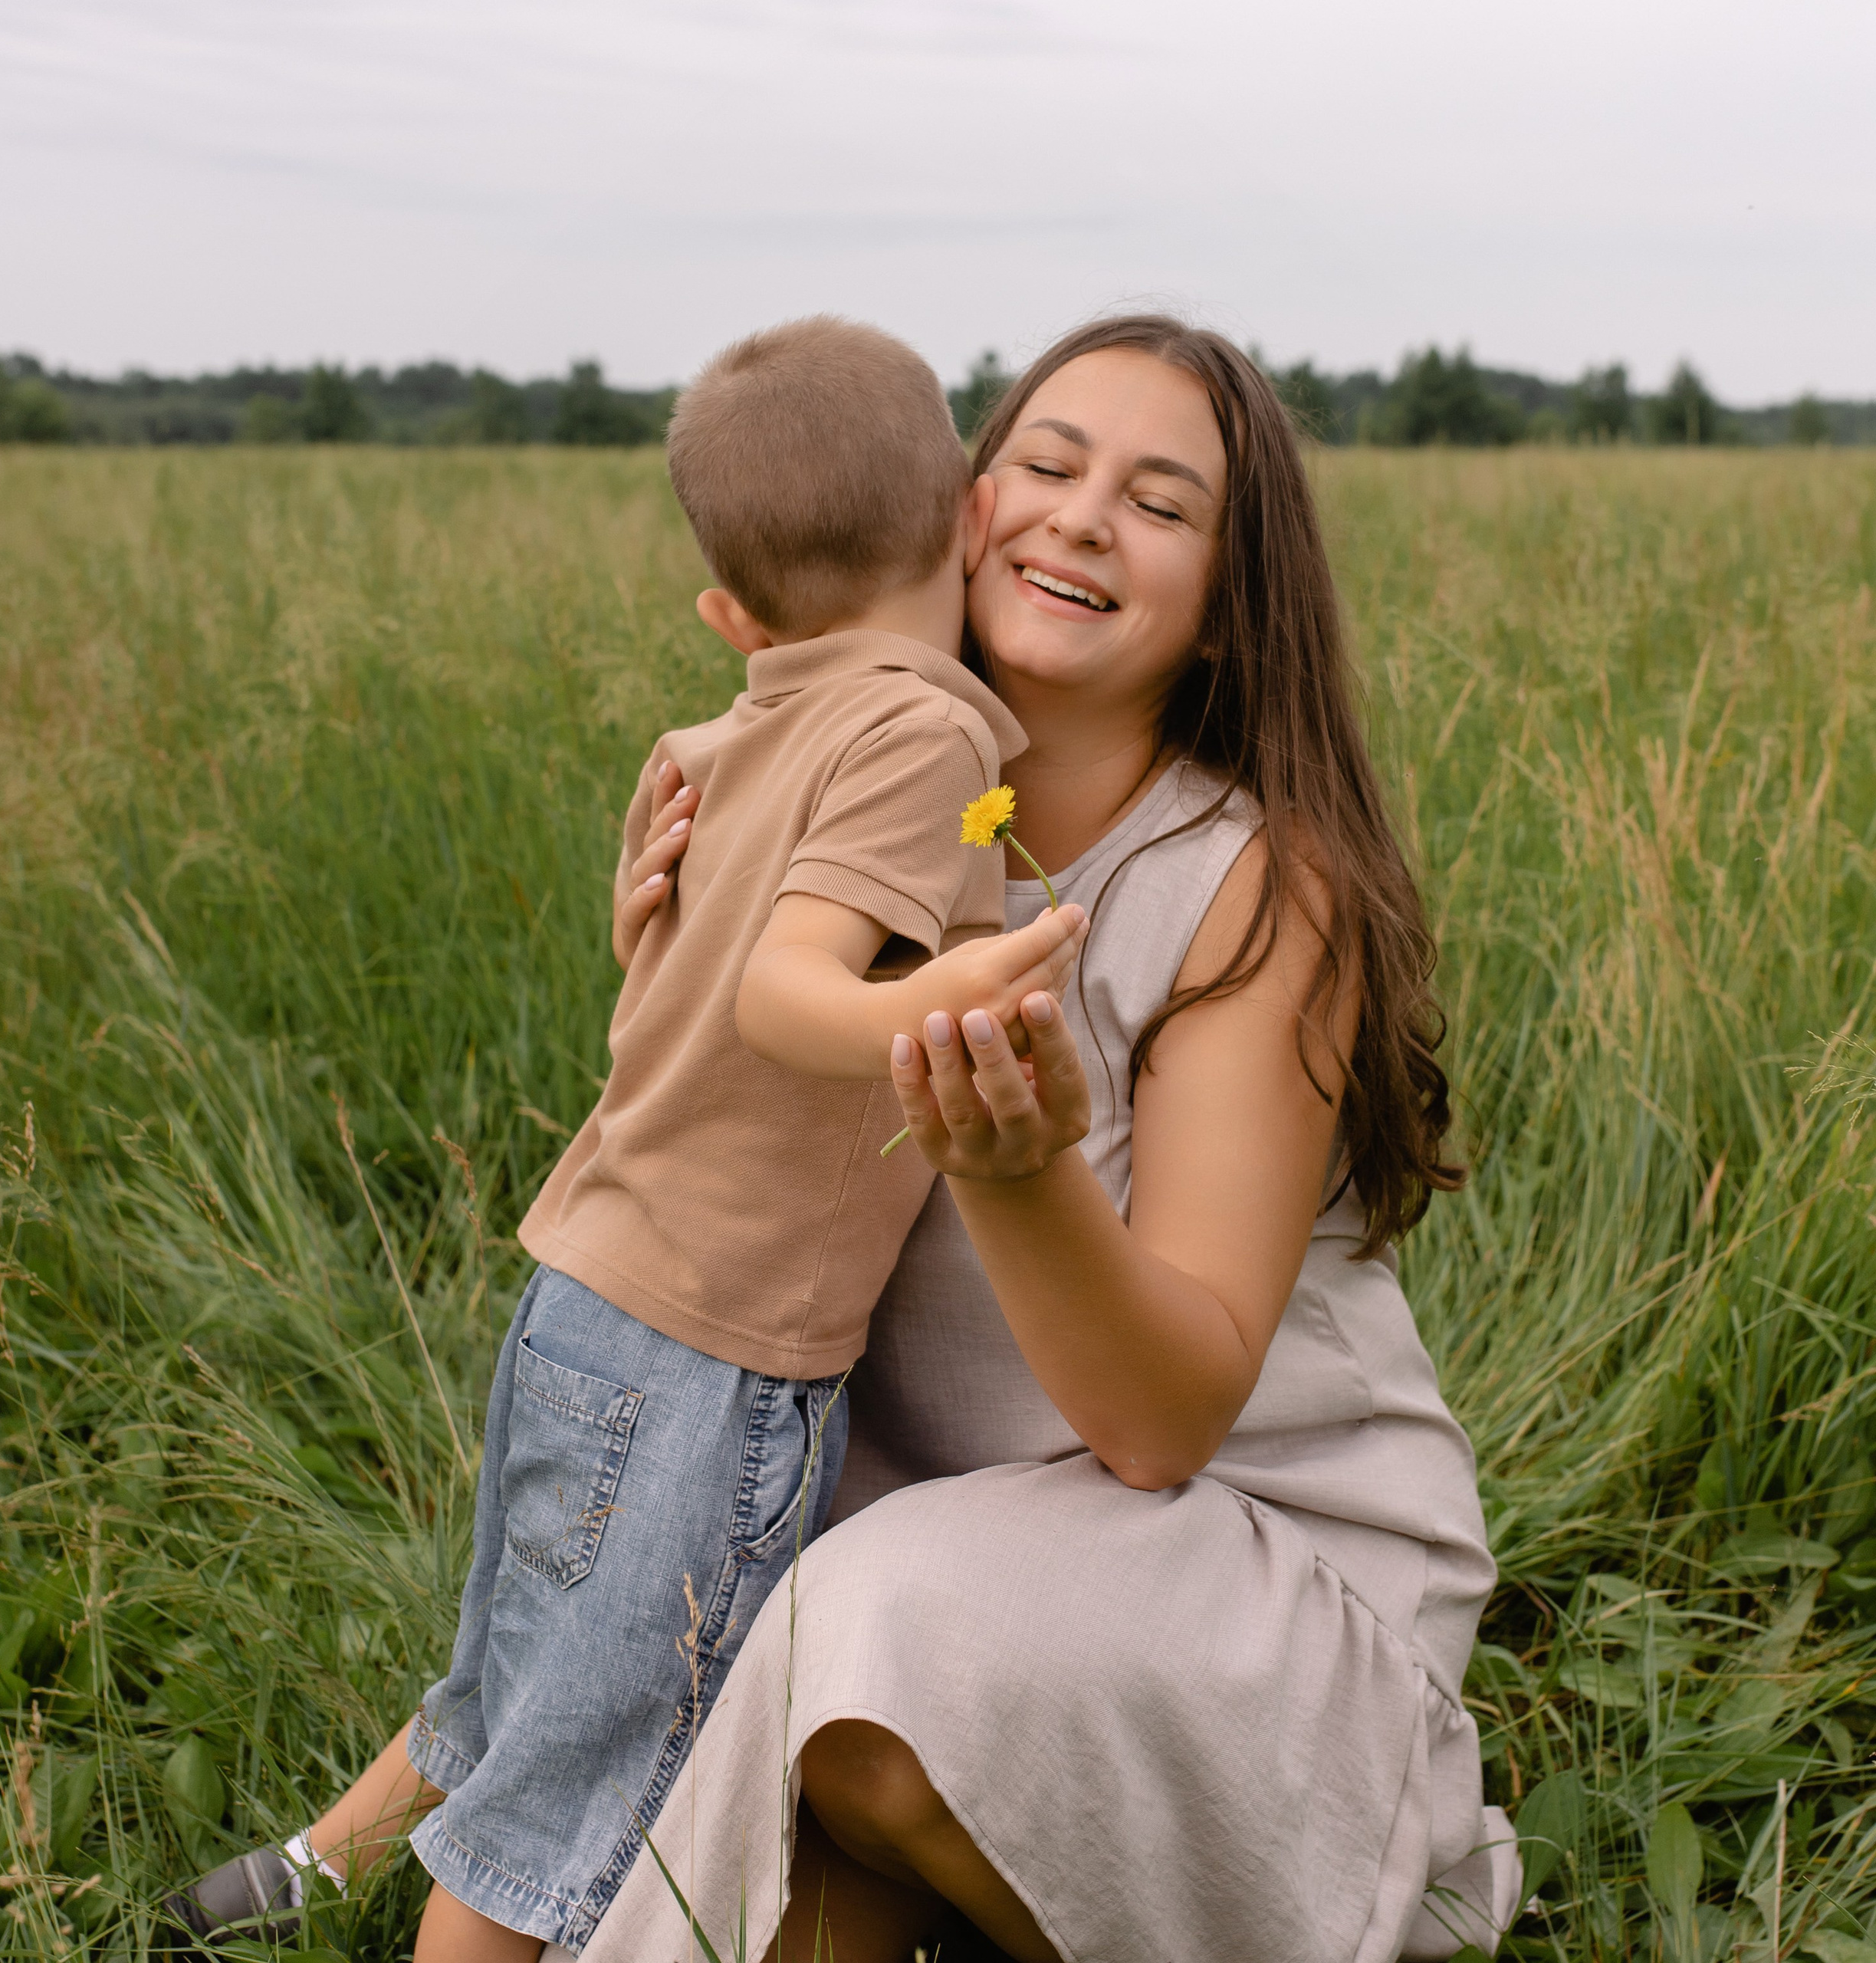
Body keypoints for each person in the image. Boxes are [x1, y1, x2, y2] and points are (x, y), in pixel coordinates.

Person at [571, 315, 1520, 1963]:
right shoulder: (841, 820)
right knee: (718, 1592)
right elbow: (695, 1301)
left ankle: (1320, 1862)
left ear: (1231, 601)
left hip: (1241, 1565)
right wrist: (670, 988)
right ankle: (396, 1828)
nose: (1082, 517)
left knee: (861, 1641)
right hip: (911, 1553)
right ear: (957, 511)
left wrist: (1015, 1172)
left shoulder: (1249, 886)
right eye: (1045, 465)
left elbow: (1162, 1422)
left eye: (1160, 503)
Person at [156, 317, 1086, 1961]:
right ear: (964, 521)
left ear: (729, 615)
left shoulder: (712, 744)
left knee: (525, 1657)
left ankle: (306, 1880)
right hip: (709, 1348)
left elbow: (683, 997)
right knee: (585, 1772)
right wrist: (944, 997)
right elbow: (783, 996)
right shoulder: (923, 728)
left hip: (586, 1285)